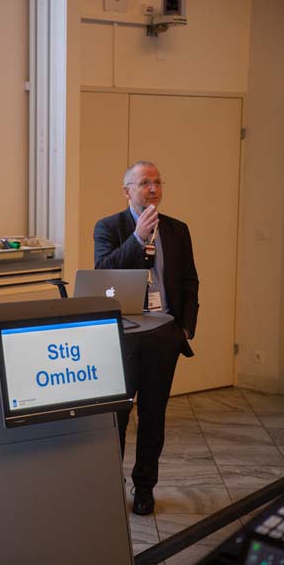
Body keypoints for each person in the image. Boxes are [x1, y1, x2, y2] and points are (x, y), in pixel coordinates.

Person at [94, 160, 199, 515]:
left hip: (163, 334)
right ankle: (110, 487)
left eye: (157, 182)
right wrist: (138, 238)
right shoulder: (109, 227)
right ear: (127, 191)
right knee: (118, 417)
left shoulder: (177, 230)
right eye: (143, 183)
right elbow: (104, 271)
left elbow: (189, 281)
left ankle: (144, 488)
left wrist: (185, 327)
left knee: (153, 417)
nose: (153, 189)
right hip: (123, 336)